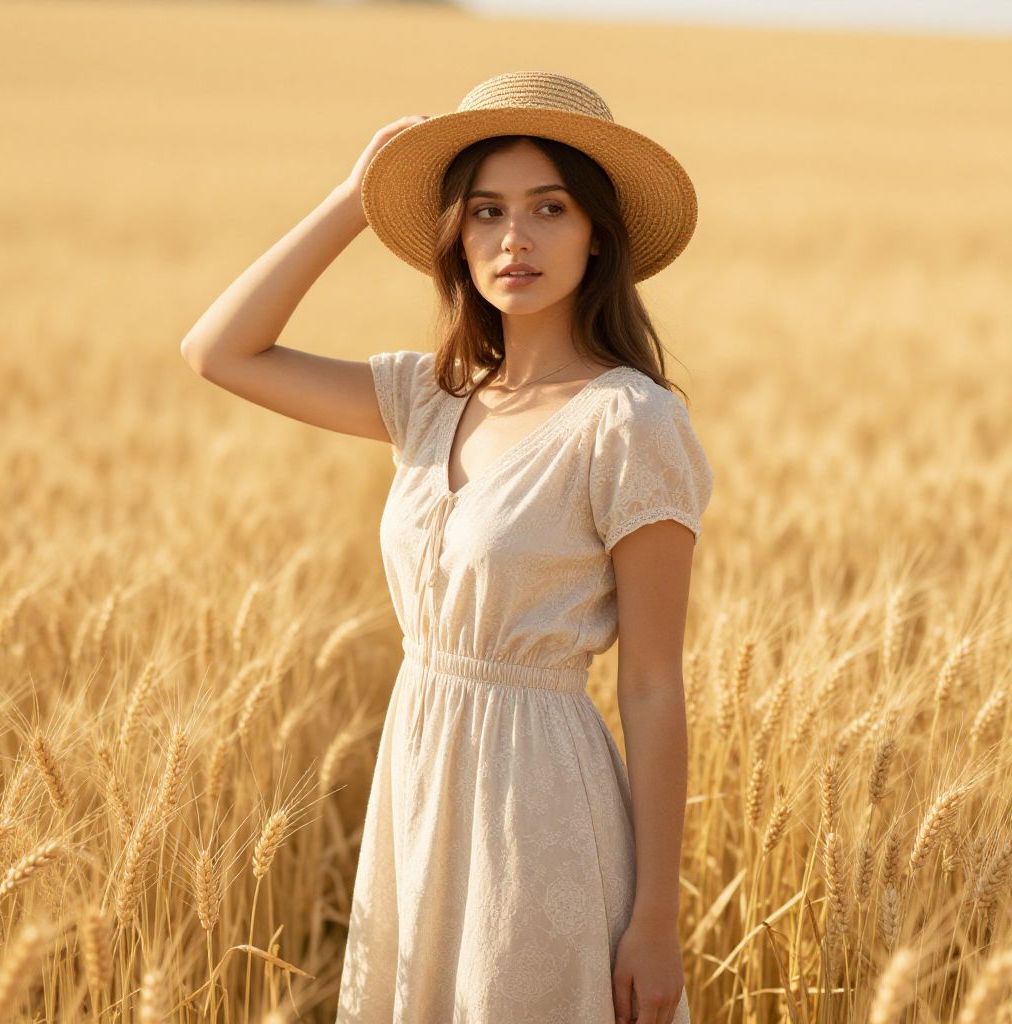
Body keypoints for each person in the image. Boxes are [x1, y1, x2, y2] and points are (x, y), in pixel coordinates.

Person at [181, 70, 710, 1024]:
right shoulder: (429, 398)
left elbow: (653, 685)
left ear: (598, 232)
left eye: (550, 208)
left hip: (539, 801)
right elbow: (219, 351)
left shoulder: (631, 422)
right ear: (455, 241)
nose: (515, 239)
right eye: (484, 212)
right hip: (418, 778)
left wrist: (657, 918)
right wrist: (353, 199)